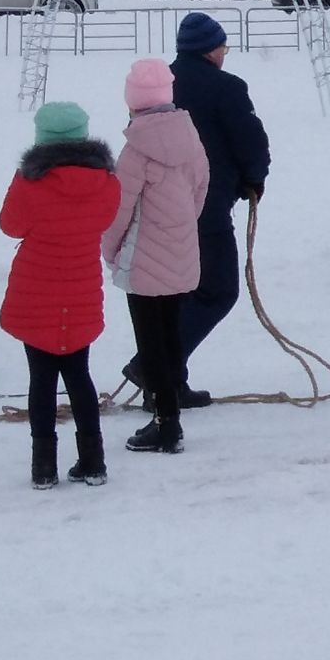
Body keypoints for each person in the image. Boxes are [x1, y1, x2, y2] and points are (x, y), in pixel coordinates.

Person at [0, 102, 122, 488]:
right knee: (80, 375)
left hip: (36, 293)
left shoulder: (30, 181)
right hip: (81, 289)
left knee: (42, 380)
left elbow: (10, 226)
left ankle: (43, 468)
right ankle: (93, 461)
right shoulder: (107, 183)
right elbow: (105, 220)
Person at [150, 12, 269, 407]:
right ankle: (153, 367)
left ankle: (167, 386)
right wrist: (254, 179)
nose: (225, 53)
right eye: (223, 46)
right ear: (209, 49)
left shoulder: (159, 85)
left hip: (158, 206)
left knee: (177, 295)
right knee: (218, 291)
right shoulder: (226, 87)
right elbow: (250, 139)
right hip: (207, 205)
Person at [102, 59, 210, 456]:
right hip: (180, 253)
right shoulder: (190, 139)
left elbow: (118, 211)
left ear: (133, 103)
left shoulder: (135, 152)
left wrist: (110, 252)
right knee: (170, 338)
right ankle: (168, 416)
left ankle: (166, 424)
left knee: (152, 346)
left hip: (144, 262)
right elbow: (201, 189)